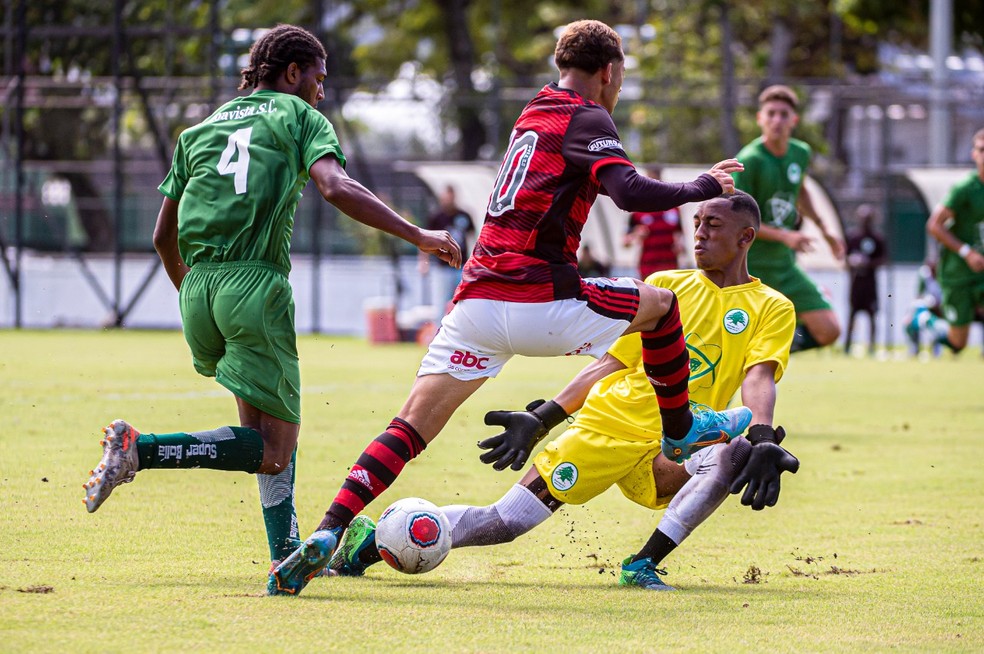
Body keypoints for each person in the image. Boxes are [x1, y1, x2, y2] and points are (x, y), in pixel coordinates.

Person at [271, 19, 751, 596]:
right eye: (621, 75)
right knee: (662, 305)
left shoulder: (534, 111)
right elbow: (628, 193)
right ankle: (681, 430)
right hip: (539, 296)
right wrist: (701, 186)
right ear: (610, 71)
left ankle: (329, 530)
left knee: (408, 427)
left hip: (474, 302)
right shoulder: (588, 114)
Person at [81, 25, 461, 579]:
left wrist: (194, 292)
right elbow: (335, 187)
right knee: (276, 450)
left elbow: (164, 238)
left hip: (197, 287)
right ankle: (142, 449)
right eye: (319, 79)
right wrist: (417, 234)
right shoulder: (298, 116)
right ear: (292, 73)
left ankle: (284, 556)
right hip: (254, 287)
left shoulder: (199, 130)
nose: (321, 93)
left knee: (258, 436)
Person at [327, 191, 800, 591]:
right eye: (695, 222)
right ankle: (370, 541)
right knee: (505, 523)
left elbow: (756, 377)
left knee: (733, 451)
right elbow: (610, 362)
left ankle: (642, 565)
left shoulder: (771, 307)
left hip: (673, 445)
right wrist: (545, 416)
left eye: (712, 225)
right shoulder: (663, 286)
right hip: (610, 426)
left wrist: (763, 436)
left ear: (745, 238)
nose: (699, 233)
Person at [732, 85, 845, 353]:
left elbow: (800, 189)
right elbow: (738, 220)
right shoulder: (750, 160)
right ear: (760, 118)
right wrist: (785, 235)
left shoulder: (800, 152)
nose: (777, 120)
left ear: (794, 120)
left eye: (784, 114)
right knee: (734, 344)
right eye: (771, 114)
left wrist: (825, 229)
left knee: (829, 330)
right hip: (750, 268)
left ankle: (769, 348)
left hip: (784, 264)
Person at [925, 127, 984, 353]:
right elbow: (934, 225)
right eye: (982, 150)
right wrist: (966, 252)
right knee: (958, 342)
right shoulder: (965, 188)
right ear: (974, 154)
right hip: (958, 271)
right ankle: (923, 320)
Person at [419, 185, 475, 314]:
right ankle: (439, 331)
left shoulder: (464, 215)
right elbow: (424, 241)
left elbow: (473, 237)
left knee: (462, 302)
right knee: (440, 303)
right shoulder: (436, 217)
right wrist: (423, 262)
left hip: (460, 266)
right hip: (441, 267)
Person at [623, 165, 684, 277]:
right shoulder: (638, 209)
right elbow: (625, 243)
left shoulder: (674, 208)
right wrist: (636, 234)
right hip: (648, 266)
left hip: (670, 265)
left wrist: (680, 244)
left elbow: (680, 233)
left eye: (656, 181)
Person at [843, 204, 887, 356]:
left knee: (872, 315)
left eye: (868, 218)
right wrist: (852, 262)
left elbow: (883, 259)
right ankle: (847, 346)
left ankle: (872, 347)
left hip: (870, 284)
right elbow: (845, 258)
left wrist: (868, 263)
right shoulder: (853, 238)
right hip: (856, 284)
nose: (865, 221)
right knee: (852, 314)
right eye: (863, 218)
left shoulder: (877, 239)